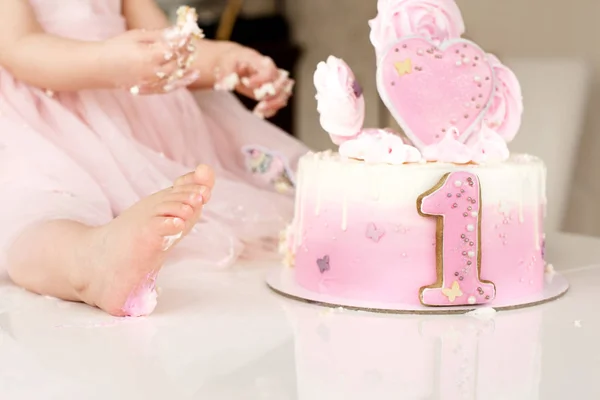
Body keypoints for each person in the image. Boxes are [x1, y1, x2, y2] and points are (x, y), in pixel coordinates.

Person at [0, 0, 307, 317]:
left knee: (284, 193)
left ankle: (124, 242)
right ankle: (88, 260)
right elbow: (18, 45)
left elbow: (164, 42)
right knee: (39, 206)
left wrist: (224, 61)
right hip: (45, 119)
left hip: (128, 111)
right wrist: (109, 63)